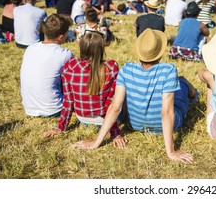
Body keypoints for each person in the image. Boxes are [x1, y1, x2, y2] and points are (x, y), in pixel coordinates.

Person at [73, 29, 195, 164]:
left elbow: (115, 107)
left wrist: (97, 142)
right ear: (159, 52)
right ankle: (193, 95)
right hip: (167, 124)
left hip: (135, 124)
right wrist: (170, 151)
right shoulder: (169, 70)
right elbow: (167, 112)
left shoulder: (126, 69)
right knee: (182, 83)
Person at [44, 31, 122, 141]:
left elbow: (68, 101)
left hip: (83, 119)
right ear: (101, 49)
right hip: (105, 121)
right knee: (122, 94)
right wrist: (114, 132)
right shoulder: (111, 67)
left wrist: (60, 128)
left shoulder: (70, 66)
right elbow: (112, 102)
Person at [20, 14, 73, 117]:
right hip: (54, 108)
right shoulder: (64, 54)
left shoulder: (30, 48)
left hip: (29, 107)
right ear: (61, 37)